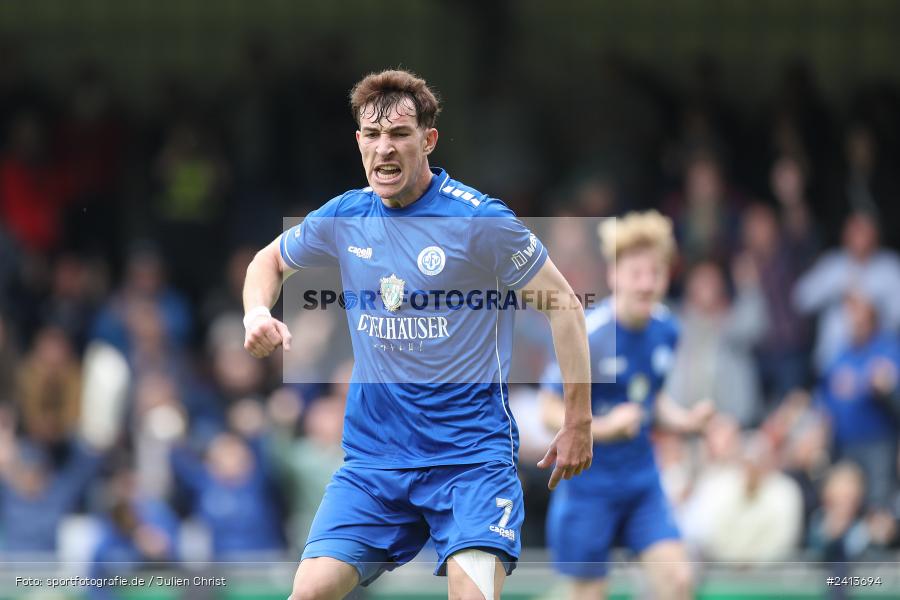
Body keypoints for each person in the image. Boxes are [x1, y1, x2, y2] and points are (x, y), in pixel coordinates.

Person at [242, 69, 593, 600]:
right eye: (373, 136)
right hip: (375, 464)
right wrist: (254, 314)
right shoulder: (346, 215)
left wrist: (579, 420)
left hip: (470, 464)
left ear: (427, 140)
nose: (385, 148)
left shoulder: (480, 222)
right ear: (359, 142)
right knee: (309, 593)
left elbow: (564, 304)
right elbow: (267, 261)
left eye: (400, 135)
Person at [541, 211, 714, 600]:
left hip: (642, 485)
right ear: (613, 275)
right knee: (586, 595)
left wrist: (686, 422)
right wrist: (604, 428)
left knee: (677, 582)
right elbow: (549, 409)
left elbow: (651, 402)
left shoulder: (667, 330)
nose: (647, 283)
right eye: (636, 273)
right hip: (588, 489)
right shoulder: (591, 335)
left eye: (656, 273)